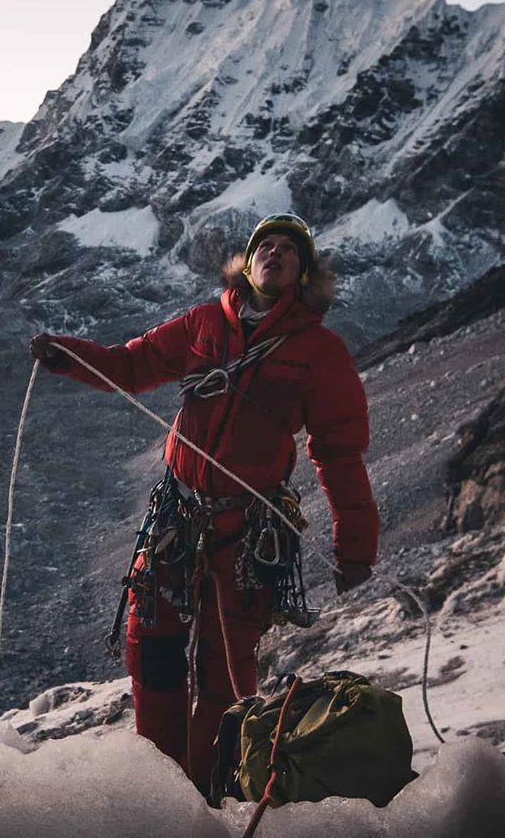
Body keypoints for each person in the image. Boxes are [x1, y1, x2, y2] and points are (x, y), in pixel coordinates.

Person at [29, 214, 379, 796]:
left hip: (247, 531)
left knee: (226, 670)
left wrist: (355, 548)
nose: (274, 251)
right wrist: (68, 355)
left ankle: (203, 793)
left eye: (290, 250)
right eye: (264, 244)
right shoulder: (203, 324)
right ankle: (160, 785)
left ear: (304, 273)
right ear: (247, 262)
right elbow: (134, 365)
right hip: (178, 515)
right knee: (153, 647)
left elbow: (340, 452)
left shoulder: (320, 351)